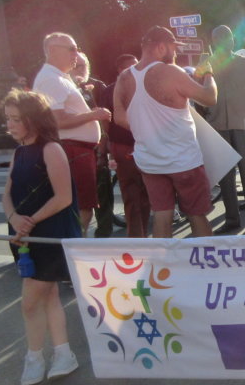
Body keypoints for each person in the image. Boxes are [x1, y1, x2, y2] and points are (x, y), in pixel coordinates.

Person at [1, 89, 82, 385]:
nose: (9, 125)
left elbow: (64, 198)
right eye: (7, 119)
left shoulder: (51, 149)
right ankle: (63, 354)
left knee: (29, 303)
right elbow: (6, 194)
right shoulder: (19, 151)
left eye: (15, 119)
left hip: (49, 236)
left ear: (33, 120)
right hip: (26, 236)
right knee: (47, 297)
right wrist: (13, 219)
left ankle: (34, 357)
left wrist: (29, 222)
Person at [113, 26, 218, 238]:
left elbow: (119, 118)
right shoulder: (171, 72)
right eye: (173, 48)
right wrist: (208, 75)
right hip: (184, 160)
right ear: (161, 47)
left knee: (162, 214)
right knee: (197, 215)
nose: (176, 53)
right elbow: (209, 98)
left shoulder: (124, 78)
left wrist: (146, 129)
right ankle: (207, 265)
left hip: (150, 161)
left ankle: (165, 268)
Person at [33, 33, 111, 236]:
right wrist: (93, 115)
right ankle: (73, 249)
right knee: (82, 206)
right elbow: (57, 121)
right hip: (72, 150)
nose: (76, 54)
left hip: (76, 149)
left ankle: (73, 246)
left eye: (76, 48)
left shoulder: (58, 77)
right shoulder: (51, 78)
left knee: (83, 205)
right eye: (71, 49)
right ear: (51, 50)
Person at [203, 24, 245, 233]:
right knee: (226, 177)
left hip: (244, 125)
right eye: (218, 38)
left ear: (232, 41)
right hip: (217, 126)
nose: (223, 41)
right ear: (213, 42)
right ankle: (231, 218)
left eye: (226, 37)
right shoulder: (205, 65)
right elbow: (197, 94)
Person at [102, 54, 150, 238]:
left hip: (140, 144)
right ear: (121, 70)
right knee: (133, 194)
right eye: (131, 67)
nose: (135, 70)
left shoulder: (141, 86)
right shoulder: (112, 90)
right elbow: (106, 121)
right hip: (125, 146)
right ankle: (137, 237)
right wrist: (107, 147)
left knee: (143, 194)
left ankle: (140, 235)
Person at [72, 52, 115, 238]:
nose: (80, 70)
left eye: (83, 65)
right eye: (76, 66)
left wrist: (107, 150)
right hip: (76, 151)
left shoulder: (98, 86)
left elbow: (109, 119)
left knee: (103, 196)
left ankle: (104, 236)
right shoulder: (67, 88)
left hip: (99, 149)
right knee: (82, 201)